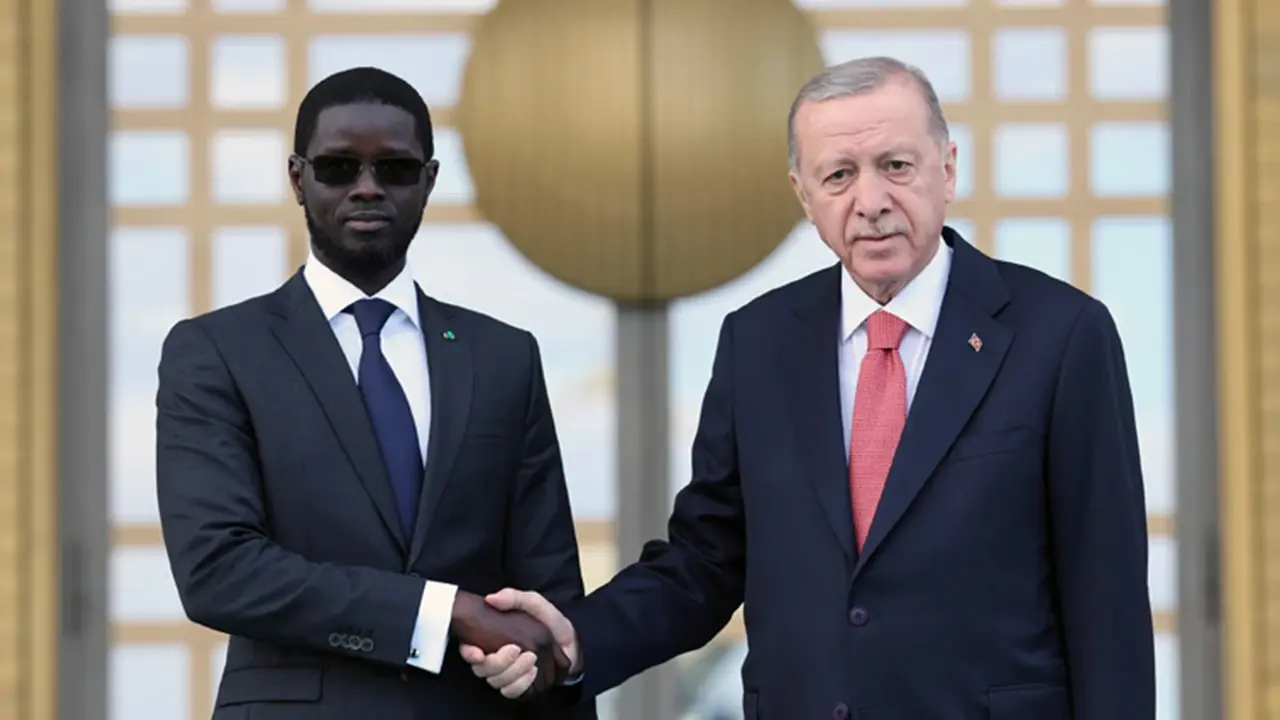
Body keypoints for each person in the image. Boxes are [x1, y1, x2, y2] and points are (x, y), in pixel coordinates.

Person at [460, 56, 1156, 718]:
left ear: (947, 169)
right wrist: (577, 638)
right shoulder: (758, 343)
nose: (870, 202)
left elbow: (1107, 597)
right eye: (839, 176)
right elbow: (705, 561)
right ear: (803, 194)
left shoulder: (1061, 335)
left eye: (896, 166)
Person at [155, 66, 595, 720]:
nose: (367, 187)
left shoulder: (504, 358)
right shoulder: (218, 352)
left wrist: (545, 667)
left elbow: (547, 600)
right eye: (338, 168)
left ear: (429, 181)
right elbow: (218, 570)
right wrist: (443, 613)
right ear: (297, 178)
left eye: (395, 169)